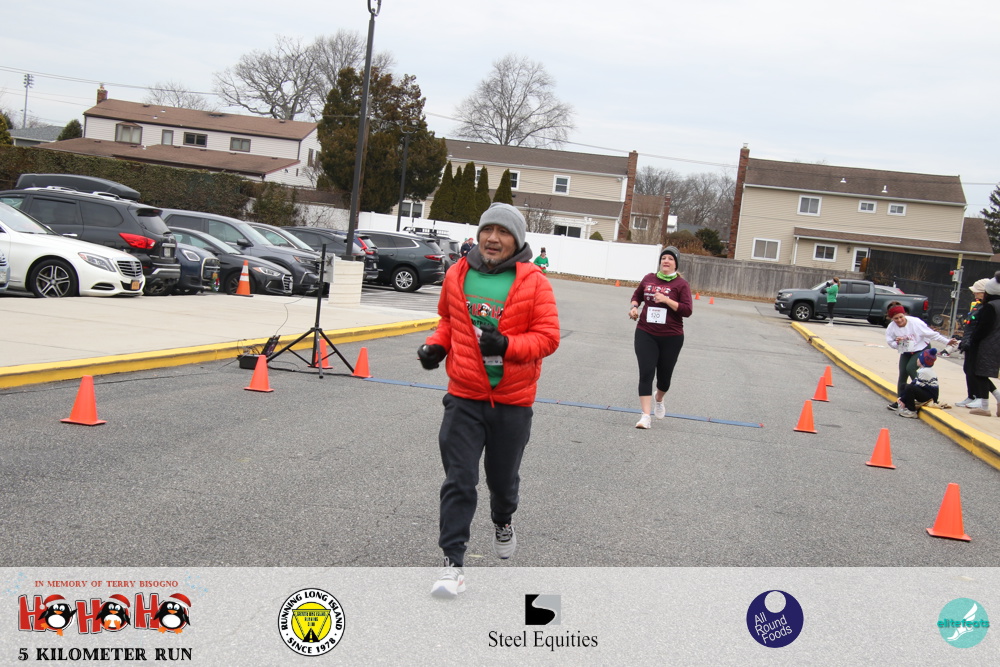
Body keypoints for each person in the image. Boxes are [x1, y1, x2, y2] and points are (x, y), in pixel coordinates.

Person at [417, 203, 560, 599]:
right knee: (459, 479)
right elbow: (448, 321)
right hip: (464, 396)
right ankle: (452, 565)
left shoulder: (534, 282)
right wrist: (435, 346)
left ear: (517, 240)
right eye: (487, 230)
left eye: (503, 232)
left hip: (513, 402)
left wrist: (507, 345)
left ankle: (503, 520)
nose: (493, 238)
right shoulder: (458, 273)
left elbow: (548, 338)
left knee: (502, 481)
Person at [628, 246, 694, 429]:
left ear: (676, 264)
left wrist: (666, 300)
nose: (666, 261)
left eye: (670, 259)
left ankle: (659, 398)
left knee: (664, 378)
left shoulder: (681, 284)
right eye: (664, 258)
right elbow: (637, 295)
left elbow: (687, 310)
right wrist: (634, 307)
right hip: (645, 332)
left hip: (671, 336)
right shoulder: (649, 278)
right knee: (646, 372)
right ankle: (645, 416)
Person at [884, 305, 956, 411]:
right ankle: (900, 401)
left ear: (904, 315)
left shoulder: (915, 323)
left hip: (921, 348)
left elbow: (931, 334)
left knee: (910, 368)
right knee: (903, 373)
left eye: (901, 317)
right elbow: (890, 342)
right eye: (896, 318)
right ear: (892, 319)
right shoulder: (891, 327)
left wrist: (947, 341)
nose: (899, 320)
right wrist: (897, 343)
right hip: (906, 349)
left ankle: (924, 393)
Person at [955, 279, 999, 409]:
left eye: (977, 292)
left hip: (979, 343)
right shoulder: (980, 305)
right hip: (973, 341)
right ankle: (973, 396)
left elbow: (982, 327)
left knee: (977, 372)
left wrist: (972, 340)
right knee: (970, 370)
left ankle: (980, 398)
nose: (974, 294)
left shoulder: (989, 307)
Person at [896, 348, 939, 418]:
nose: (917, 359)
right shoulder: (923, 370)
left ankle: (911, 411)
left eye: (918, 358)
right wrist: (902, 397)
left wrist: (902, 399)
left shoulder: (924, 372)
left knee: (910, 388)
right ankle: (904, 405)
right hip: (926, 392)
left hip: (931, 397)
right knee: (904, 385)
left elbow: (916, 386)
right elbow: (914, 382)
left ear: (922, 361)